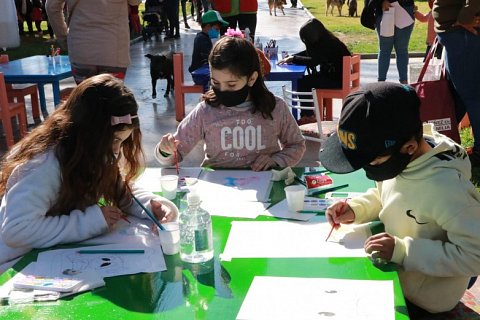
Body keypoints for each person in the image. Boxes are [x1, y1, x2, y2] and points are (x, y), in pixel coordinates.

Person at [319, 82, 480, 316]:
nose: (367, 169)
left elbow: (475, 254)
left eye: (371, 162)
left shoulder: (445, 189)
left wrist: (403, 251)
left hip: (425, 300)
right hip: (394, 276)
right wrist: (357, 209)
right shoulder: (403, 159)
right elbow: (388, 193)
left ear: (409, 147)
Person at [0, 74, 179, 273]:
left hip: (57, 258)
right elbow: (16, 231)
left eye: (121, 141)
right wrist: (89, 221)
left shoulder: (92, 151)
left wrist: (151, 206)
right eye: (113, 142)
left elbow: (120, 191)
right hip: (16, 268)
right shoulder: (44, 166)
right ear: (87, 132)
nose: (116, 151)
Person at [155, 36, 306, 171]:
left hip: (265, 187)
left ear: (252, 79)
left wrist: (277, 160)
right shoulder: (205, 111)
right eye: (216, 83)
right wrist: (165, 149)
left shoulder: (275, 108)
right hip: (217, 188)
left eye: (232, 84)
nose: (223, 90)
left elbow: (297, 145)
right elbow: (175, 154)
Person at [46, 0, 141, 84]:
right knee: (112, 101)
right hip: (114, 51)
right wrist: (134, 11)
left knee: (87, 101)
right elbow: (134, 2)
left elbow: (51, 7)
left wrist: (63, 38)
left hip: (80, 51)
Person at [432, 1, 480, 166]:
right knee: (460, 94)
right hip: (454, 31)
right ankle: (442, 140)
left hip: (460, 31)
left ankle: (479, 151)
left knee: (472, 95)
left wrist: (466, 16)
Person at [278, 18, 351, 124]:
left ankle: (308, 116)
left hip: (336, 80)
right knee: (306, 80)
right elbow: (309, 54)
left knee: (303, 82)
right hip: (337, 77)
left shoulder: (327, 45)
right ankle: (308, 114)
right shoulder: (328, 40)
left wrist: (294, 59)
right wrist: (293, 56)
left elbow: (313, 61)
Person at [374, 0, 415, 83]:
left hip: (395, 8)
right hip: (393, 8)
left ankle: (382, 83)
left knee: (389, 50)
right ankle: (402, 84)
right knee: (399, 50)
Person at [188, 9, 228, 90]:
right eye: (216, 29)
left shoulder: (205, 37)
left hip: (203, 72)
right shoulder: (202, 39)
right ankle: (210, 99)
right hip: (200, 74)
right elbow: (211, 57)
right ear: (208, 26)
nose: (218, 32)